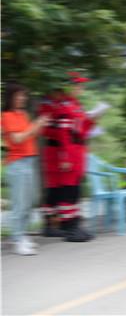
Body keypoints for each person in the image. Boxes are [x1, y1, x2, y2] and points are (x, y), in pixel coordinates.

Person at [39, 73, 95, 242]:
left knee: (71, 190)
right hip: (62, 151)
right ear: (68, 85)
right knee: (62, 191)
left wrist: (91, 121)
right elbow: (60, 132)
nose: (80, 88)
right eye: (77, 84)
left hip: (74, 149)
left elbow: (81, 129)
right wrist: (64, 155)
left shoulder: (74, 105)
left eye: (81, 85)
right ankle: (64, 226)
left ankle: (71, 224)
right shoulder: (59, 106)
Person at [2, 83, 49, 255]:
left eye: (23, 95)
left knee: (30, 203)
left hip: (30, 161)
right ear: (11, 97)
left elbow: (30, 135)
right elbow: (18, 138)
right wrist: (35, 126)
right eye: (19, 95)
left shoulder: (23, 114)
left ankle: (22, 236)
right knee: (19, 205)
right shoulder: (6, 116)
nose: (22, 98)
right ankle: (17, 239)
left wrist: (40, 125)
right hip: (17, 164)